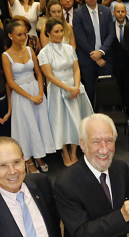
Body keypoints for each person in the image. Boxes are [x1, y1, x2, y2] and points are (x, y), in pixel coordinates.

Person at [39, 17, 94, 167]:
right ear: (48, 33)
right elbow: (49, 76)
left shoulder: (69, 48)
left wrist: (75, 87)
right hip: (58, 89)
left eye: (62, 30)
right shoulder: (44, 53)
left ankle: (74, 151)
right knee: (60, 121)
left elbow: (76, 68)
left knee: (77, 119)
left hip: (74, 87)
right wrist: (68, 88)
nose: (60, 34)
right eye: (56, 31)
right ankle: (64, 151)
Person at [3, 19, 55, 174]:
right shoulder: (6, 55)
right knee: (26, 127)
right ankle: (29, 160)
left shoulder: (30, 50)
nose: (23, 37)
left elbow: (39, 73)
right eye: (19, 35)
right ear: (10, 36)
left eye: (24, 34)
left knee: (39, 124)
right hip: (21, 95)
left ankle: (39, 156)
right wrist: (30, 97)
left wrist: (40, 93)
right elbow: (10, 82)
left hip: (35, 90)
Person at [73, 0, 115, 102]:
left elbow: (111, 34)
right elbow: (80, 38)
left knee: (106, 91)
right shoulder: (78, 13)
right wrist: (95, 56)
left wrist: (101, 52)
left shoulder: (106, 11)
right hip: (87, 60)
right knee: (90, 92)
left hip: (105, 58)